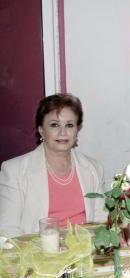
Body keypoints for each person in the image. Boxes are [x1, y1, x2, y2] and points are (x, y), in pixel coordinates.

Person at [0, 94, 107, 237]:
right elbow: (7, 230)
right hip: (38, 254)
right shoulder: (14, 171)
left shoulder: (93, 168)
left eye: (69, 125)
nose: (63, 132)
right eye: (54, 125)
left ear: (77, 130)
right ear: (41, 130)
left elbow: (101, 222)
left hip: (86, 251)